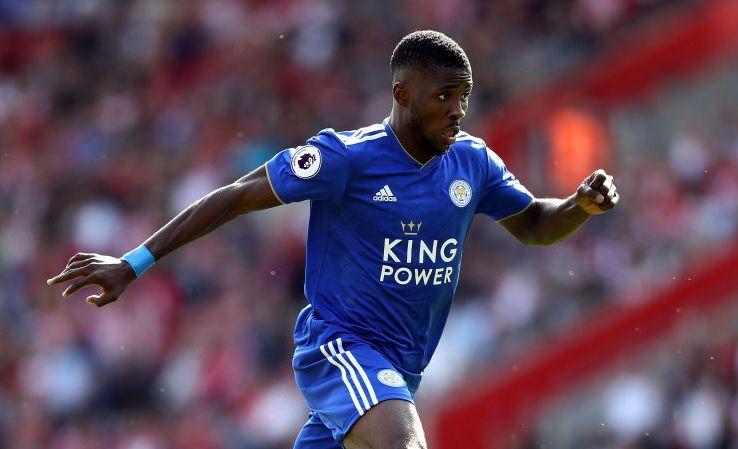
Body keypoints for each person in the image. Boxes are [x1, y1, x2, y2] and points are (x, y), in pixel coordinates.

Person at [47, 30, 619, 449]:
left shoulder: (472, 162)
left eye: (463, 96)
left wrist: (580, 206)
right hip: (340, 348)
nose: (457, 110)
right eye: (443, 96)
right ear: (402, 94)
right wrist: (135, 262)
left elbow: (534, 224)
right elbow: (239, 194)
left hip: (401, 369)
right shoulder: (346, 158)